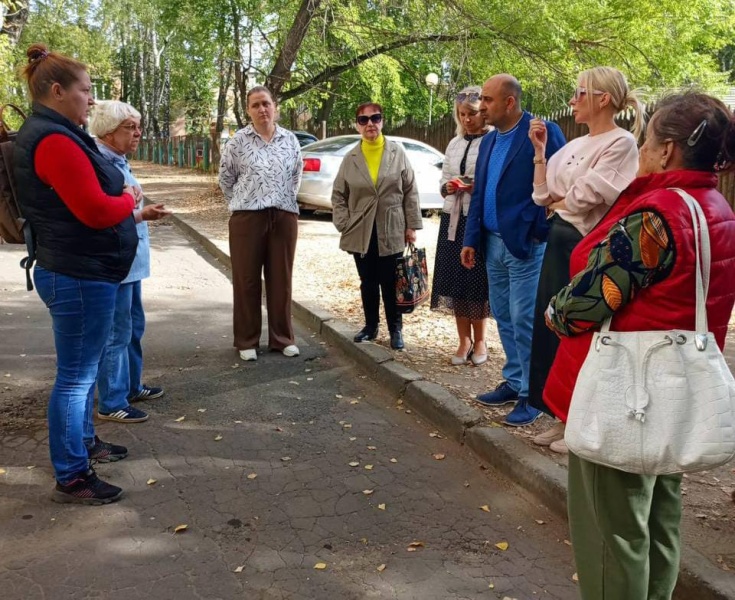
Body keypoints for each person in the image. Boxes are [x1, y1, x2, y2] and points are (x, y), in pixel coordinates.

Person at [543, 92, 735, 599]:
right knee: (659, 520)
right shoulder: (713, 208)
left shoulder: (657, 216)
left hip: (624, 395)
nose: (642, 152)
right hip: (673, 393)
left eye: (648, 141)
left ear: (669, 150)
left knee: (612, 535)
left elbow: (587, 301)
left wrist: (552, 311)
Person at [14, 44, 138, 504]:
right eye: (85, 91)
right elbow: (93, 210)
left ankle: (85, 444)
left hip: (81, 270)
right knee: (76, 378)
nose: (91, 99)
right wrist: (128, 199)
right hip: (77, 275)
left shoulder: (58, 133)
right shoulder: (52, 140)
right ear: (57, 90)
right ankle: (71, 473)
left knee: (80, 374)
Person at [527, 67, 643, 452]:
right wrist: (541, 155)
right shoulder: (577, 144)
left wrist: (562, 199)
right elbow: (542, 196)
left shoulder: (621, 142)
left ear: (602, 99)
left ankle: (578, 420)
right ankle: (560, 415)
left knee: (576, 328)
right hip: (560, 240)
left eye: (579, 93)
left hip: (584, 244)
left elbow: (583, 199)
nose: (572, 100)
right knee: (550, 322)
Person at [460, 74, 565, 426]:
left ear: (509, 102)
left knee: (525, 318)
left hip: (525, 245)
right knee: (504, 315)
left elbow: (560, 184)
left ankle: (533, 395)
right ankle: (516, 380)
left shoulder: (541, 131)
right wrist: (471, 238)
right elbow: (480, 192)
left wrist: (540, 230)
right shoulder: (489, 142)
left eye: (488, 100)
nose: (481, 106)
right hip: (491, 244)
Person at [89, 100, 170, 424]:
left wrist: (141, 214)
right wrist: (142, 214)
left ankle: (131, 385)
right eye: (130, 127)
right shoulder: (100, 164)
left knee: (133, 327)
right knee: (117, 333)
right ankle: (111, 400)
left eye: (138, 126)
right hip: (116, 264)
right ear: (108, 131)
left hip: (130, 263)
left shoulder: (118, 159)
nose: (138, 133)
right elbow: (103, 215)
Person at [219, 86, 303, 362]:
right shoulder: (237, 142)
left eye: (266, 103)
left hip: (283, 216)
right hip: (247, 218)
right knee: (247, 280)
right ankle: (246, 340)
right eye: (255, 105)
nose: (262, 109)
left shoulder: (290, 140)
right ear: (248, 110)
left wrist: (282, 201)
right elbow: (226, 180)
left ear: (275, 106)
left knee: (281, 279)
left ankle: (282, 338)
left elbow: (295, 176)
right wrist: (247, 203)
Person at [332, 102, 423, 350]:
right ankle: (370, 326)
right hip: (361, 229)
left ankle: (396, 330)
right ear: (357, 125)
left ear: (382, 121)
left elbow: (410, 190)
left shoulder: (397, 152)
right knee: (368, 281)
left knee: (390, 281)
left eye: (375, 118)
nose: (370, 123)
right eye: (363, 120)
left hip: (391, 226)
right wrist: (343, 223)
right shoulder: (351, 157)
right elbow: (339, 194)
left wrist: (411, 225)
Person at [430, 86, 491, 365]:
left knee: (475, 281)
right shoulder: (454, 143)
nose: (467, 119)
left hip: (475, 219)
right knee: (454, 279)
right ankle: (463, 339)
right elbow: (444, 179)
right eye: (462, 114)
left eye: (472, 114)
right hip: (451, 218)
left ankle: (480, 340)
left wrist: (472, 186)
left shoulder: (491, 142)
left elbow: (492, 183)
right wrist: (449, 187)